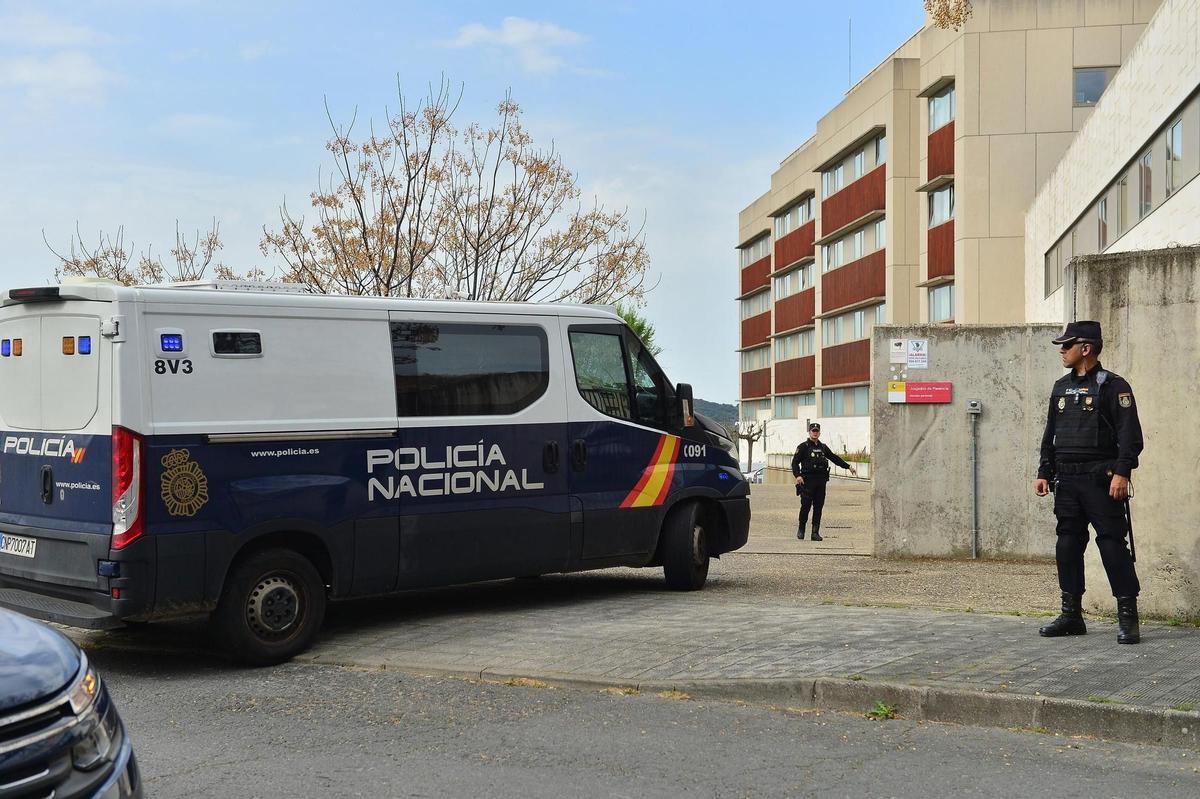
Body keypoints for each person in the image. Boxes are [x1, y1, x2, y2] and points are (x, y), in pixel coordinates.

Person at [1034, 320, 1144, 644]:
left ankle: (1128, 617)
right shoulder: (1059, 387)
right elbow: (1049, 434)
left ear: (1086, 349)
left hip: (1101, 479)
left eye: (1066, 346)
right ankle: (1071, 615)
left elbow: (1130, 437)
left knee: (1111, 545)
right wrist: (1043, 471)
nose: (1061, 351)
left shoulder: (1114, 386)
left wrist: (1122, 472)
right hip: (1066, 480)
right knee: (1067, 545)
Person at [791, 422, 857, 541]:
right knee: (805, 506)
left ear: (819, 433)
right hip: (807, 481)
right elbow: (795, 462)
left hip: (821, 481)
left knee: (818, 507)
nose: (815, 433)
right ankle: (801, 529)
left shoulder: (823, 447)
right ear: (809, 432)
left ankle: (815, 533)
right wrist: (798, 475)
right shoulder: (803, 447)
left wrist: (848, 467)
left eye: (817, 431)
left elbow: (834, 458)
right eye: (813, 431)